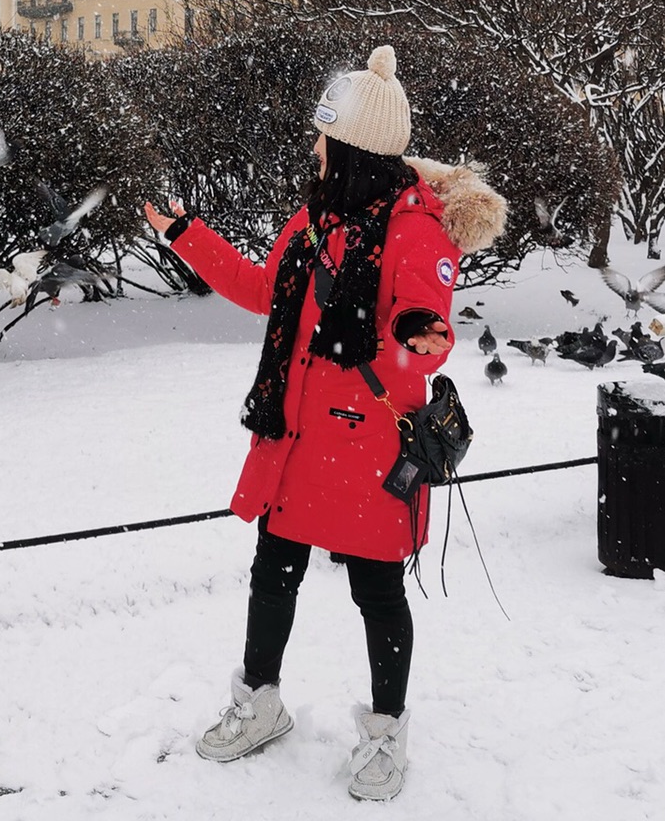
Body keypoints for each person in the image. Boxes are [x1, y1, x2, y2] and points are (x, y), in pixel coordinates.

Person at [144, 45, 504, 801]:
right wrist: (188, 237)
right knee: (272, 575)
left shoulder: (418, 230)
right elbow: (260, 289)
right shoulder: (313, 221)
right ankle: (261, 701)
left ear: (350, 150)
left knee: (377, 593)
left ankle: (384, 733)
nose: (312, 149)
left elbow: (423, 326)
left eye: (322, 138)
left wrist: (418, 336)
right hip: (297, 435)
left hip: (369, 450)